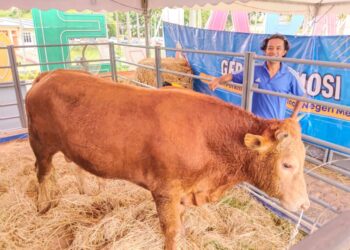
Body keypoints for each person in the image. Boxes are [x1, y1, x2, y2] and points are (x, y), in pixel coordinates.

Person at [209, 34, 304, 120]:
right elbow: (232, 76)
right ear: (265, 51)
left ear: (284, 52)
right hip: (253, 122)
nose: (274, 51)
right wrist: (218, 80)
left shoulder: (290, 74)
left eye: (278, 48)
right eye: (270, 48)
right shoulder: (254, 69)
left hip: (274, 125)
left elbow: (302, 96)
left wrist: (293, 117)